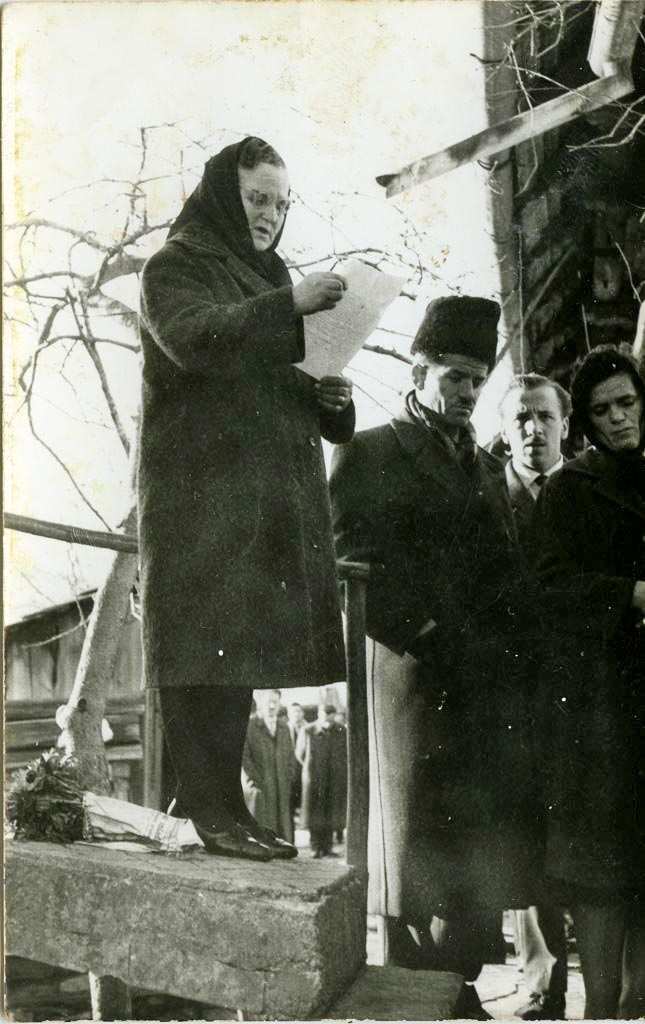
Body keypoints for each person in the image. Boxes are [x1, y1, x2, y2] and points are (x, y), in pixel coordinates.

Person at [137, 136, 354, 861]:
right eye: (257, 199)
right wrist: (288, 304)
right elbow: (194, 340)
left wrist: (330, 400)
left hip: (251, 505)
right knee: (198, 657)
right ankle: (209, 811)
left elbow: (277, 381)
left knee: (234, 662)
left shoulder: (266, 277)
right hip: (198, 502)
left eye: (280, 204)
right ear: (222, 197)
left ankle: (229, 811)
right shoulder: (175, 265)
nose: (269, 216)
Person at [330, 295, 535, 1018]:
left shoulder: (486, 467)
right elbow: (346, 560)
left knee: (473, 847)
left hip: (481, 684)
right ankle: (417, 996)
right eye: (454, 377)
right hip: (411, 681)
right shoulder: (371, 451)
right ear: (418, 372)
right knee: (415, 853)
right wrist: (420, 630)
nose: (467, 391)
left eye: (477, 379)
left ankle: (460, 990)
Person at [532, 345, 645, 1019]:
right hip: (601, 708)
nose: (618, 419)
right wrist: (629, 594)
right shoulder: (569, 490)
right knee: (603, 870)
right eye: (602, 411)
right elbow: (547, 588)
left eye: (627, 403)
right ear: (585, 421)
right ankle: (601, 1008)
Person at [499, 374, 571, 1020]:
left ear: (564, 425)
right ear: (504, 429)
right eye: (521, 417)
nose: (533, 428)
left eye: (544, 416)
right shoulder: (486, 494)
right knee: (522, 833)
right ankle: (540, 974)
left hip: (582, 690)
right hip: (509, 692)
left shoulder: (586, 490)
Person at [242, 689, 296, 843]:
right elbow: (244, 759)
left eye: (275, 702)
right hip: (260, 789)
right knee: (263, 833)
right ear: (260, 703)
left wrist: (288, 778)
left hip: (282, 788)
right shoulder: (250, 726)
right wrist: (257, 782)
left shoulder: (284, 727)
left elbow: (291, 756)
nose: (272, 706)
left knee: (283, 832)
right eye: (268, 702)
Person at [296, 704, 348, 858]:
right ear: (319, 714)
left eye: (329, 714)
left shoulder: (341, 730)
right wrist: (311, 768)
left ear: (334, 715)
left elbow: (345, 752)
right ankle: (315, 846)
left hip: (334, 778)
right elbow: (299, 754)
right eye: (323, 713)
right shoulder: (308, 730)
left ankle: (327, 847)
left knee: (331, 811)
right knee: (315, 812)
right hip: (315, 778)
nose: (326, 717)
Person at [286, 702, 306, 825]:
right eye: (293, 711)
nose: (296, 714)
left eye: (298, 711)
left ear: (302, 713)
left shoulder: (308, 728)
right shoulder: (284, 729)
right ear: (288, 714)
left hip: (304, 769)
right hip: (289, 770)